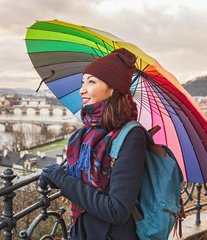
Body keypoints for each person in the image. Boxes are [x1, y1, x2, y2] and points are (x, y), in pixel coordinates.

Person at [39, 48, 146, 240]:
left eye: (92, 82)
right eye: (82, 82)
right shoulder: (85, 133)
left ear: (113, 89)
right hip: (81, 232)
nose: (82, 90)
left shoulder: (131, 136)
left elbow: (117, 210)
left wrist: (64, 181)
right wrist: (56, 178)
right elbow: (86, 184)